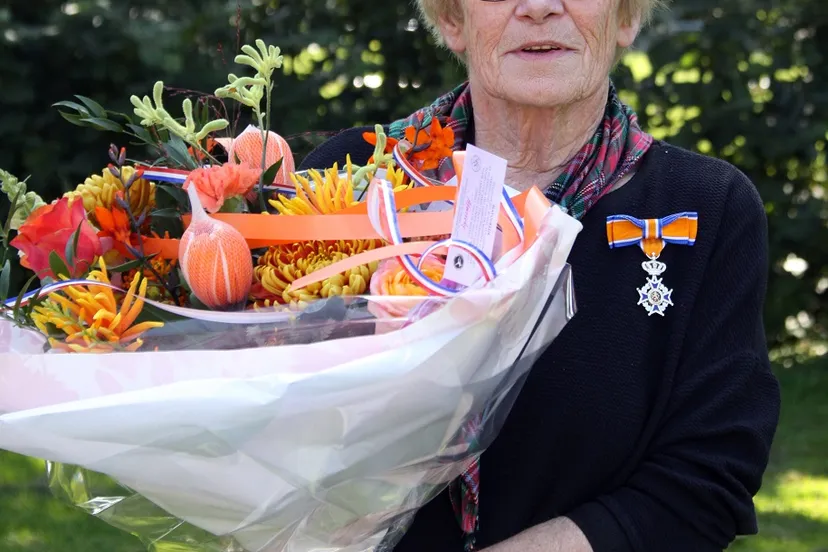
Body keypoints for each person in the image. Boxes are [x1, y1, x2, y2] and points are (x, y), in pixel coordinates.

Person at [299, 1, 782, 551]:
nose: (539, 7)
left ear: (624, 18)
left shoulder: (706, 207)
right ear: (453, 20)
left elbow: (706, 480)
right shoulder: (351, 183)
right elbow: (277, 418)